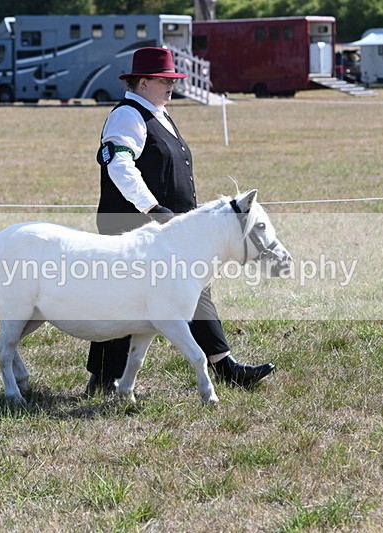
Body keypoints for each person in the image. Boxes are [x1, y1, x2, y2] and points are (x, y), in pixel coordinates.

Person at [86, 47, 275, 395]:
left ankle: (224, 365)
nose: (172, 86)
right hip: (135, 226)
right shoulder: (128, 116)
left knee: (197, 290)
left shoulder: (159, 113)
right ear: (143, 82)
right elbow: (120, 166)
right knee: (123, 301)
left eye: (173, 80)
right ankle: (102, 378)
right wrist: (152, 208)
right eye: (165, 80)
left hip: (174, 230)